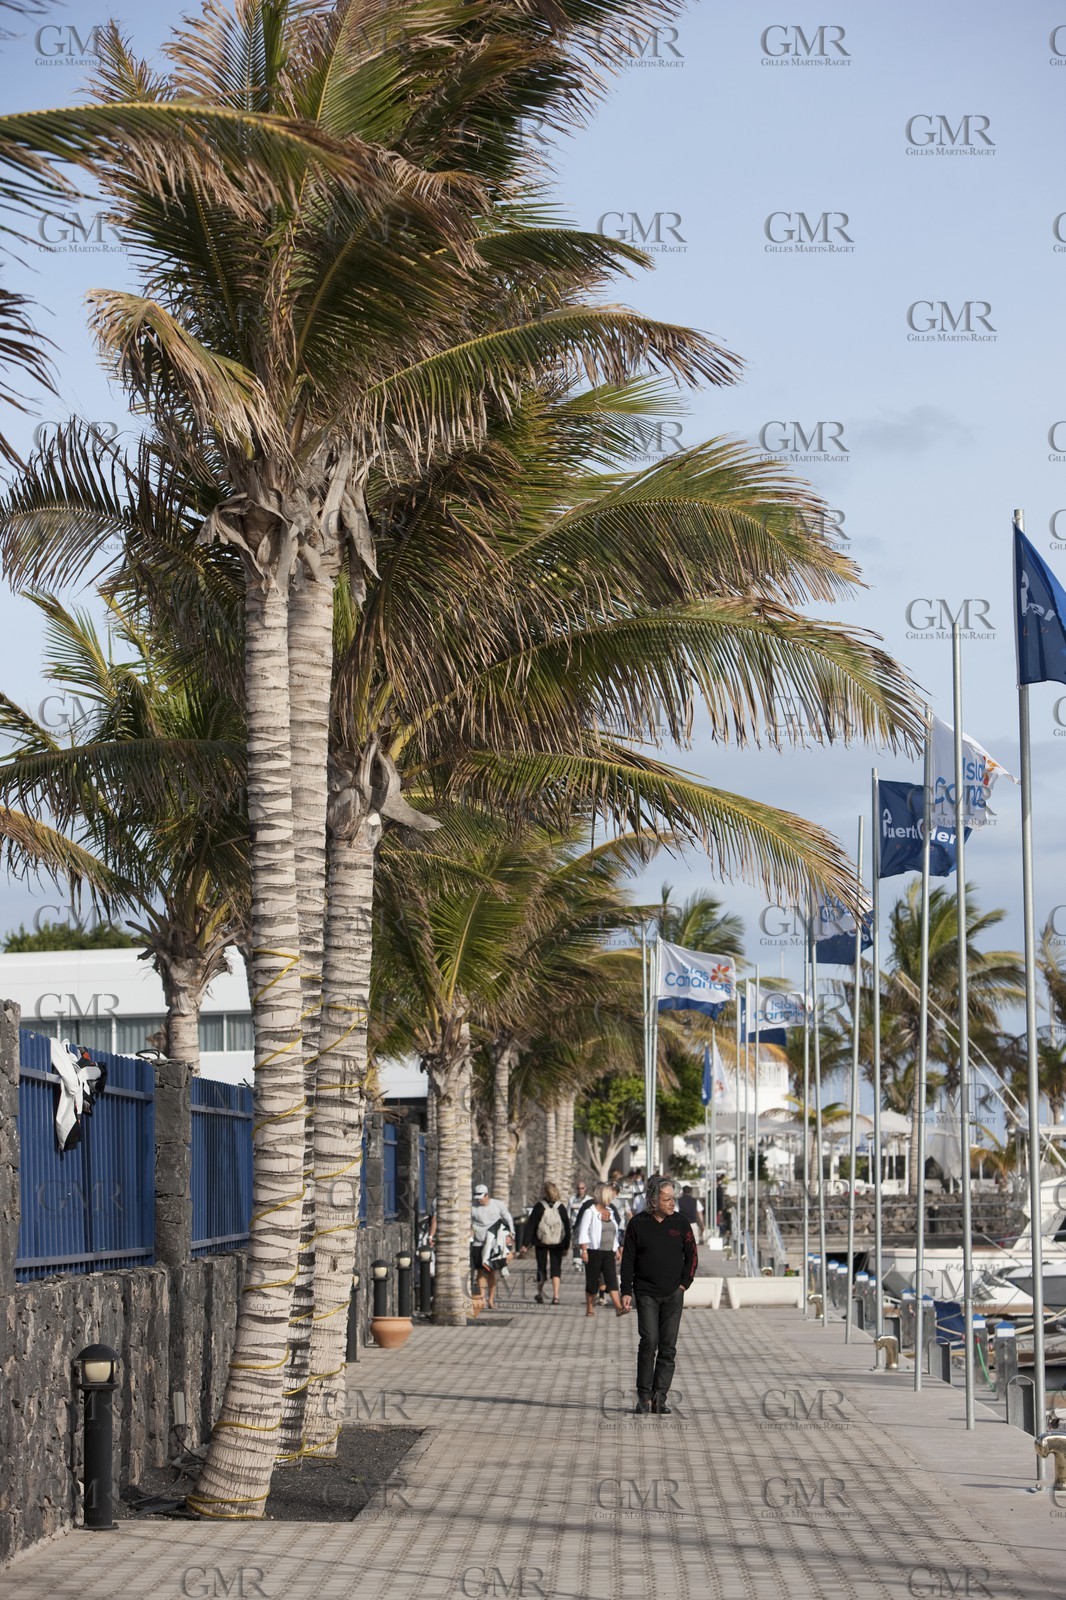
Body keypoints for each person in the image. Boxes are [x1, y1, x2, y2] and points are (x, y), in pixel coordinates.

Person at [620, 1173, 697, 1414]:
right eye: (667, 1199)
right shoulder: (638, 1224)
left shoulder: (681, 1223)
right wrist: (626, 1290)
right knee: (649, 1341)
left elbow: (692, 1255)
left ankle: (659, 1397)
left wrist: (684, 1283)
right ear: (654, 1200)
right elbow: (628, 1260)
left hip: (674, 1294)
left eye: (673, 1198)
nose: (673, 1203)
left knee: (668, 1346)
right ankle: (643, 1396)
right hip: (646, 1293)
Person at [576, 1182, 628, 1318]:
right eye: (609, 1195)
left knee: (612, 1280)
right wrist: (584, 1251)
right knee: (593, 1281)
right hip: (594, 1251)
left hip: (608, 1251)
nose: (611, 1198)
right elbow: (583, 1232)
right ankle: (589, 1307)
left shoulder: (610, 1212)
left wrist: (616, 1249)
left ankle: (618, 1307)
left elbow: (614, 1232)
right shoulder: (590, 1212)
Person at [520, 1181, 571, 1304]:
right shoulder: (561, 1207)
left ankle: (540, 1294)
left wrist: (526, 1243)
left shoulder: (539, 1206)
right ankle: (556, 1296)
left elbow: (531, 1225)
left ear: (545, 1192)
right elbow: (567, 1227)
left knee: (541, 1268)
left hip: (541, 1242)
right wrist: (566, 1245)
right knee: (556, 1269)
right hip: (558, 1242)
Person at [471, 1182, 515, 1310]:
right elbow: (466, 1221)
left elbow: (508, 1218)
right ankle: (482, 1299)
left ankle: (491, 1300)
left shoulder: (497, 1204)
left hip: (494, 1245)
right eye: (477, 1198)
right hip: (478, 1243)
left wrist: (511, 1233)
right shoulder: (472, 1207)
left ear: (487, 1195)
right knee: (480, 1272)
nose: (479, 1200)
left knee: (491, 1272)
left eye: (481, 1197)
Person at [568, 1180, 589, 1270]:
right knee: (576, 1244)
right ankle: (577, 1263)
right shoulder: (572, 1199)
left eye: (582, 1188)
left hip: (585, 1226)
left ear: (585, 1189)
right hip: (575, 1225)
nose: (580, 1190)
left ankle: (584, 1261)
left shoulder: (589, 1199)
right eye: (578, 1188)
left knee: (584, 1244)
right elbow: (568, 1213)